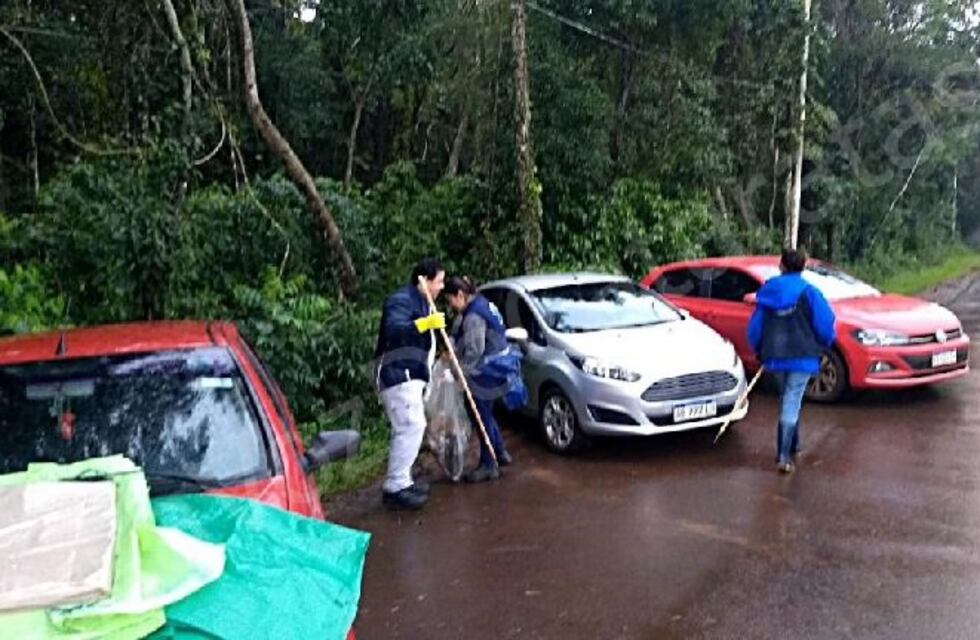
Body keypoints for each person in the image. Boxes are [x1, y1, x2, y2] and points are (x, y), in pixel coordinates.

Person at [747, 248, 836, 473]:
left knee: (787, 397)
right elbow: (825, 324)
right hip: (803, 356)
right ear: (803, 266)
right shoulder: (810, 293)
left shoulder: (767, 293)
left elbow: (755, 328)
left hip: (774, 357)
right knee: (792, 399)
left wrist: (758, 348)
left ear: (781, 265)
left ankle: (793, 445)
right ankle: (783, 456)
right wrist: (825, 342)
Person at [374, 258, 446, 510]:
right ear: (423, 280)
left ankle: (402, 480)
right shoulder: (401, 300)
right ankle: (395, 486)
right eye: (439, 281)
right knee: (410, 426)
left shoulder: (423, 302)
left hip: (411, 374)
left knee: (411, 426)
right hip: (397, 373)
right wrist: (426, 324)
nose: (442, 287)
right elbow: (395, 330)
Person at [444, 276, 526, 483]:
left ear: (460, 295)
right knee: (486, 414)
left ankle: (489, 465)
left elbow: (474, 350)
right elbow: (460, 331)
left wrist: (460, 373)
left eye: (450, 300)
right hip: (497, 366)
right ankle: (499, 452)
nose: (450, 306)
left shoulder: (473, 316)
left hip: (487, 370)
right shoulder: (481, 303)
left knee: (480, 415)